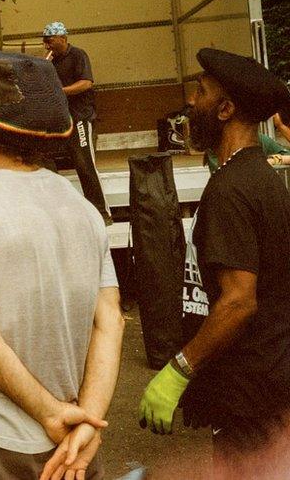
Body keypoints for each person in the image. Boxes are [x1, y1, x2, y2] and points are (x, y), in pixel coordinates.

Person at [0, 51, 123, 480]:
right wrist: (86, 424)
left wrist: (52, 414)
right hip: (73, 448)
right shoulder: (83, 209)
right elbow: (111, 320)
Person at [138, 48, 290, 474]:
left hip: (249, 394)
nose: (191, 101)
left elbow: (239, 301)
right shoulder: (257, 177)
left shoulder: (233, 191)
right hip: (264, 385)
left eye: (201, 93)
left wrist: (178, 369)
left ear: (225, 109)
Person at [42, 22, 112, 224]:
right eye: (45, 41)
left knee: (84, 163)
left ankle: (102, 212)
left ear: (62, 38)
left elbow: (86, 83)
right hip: (61, 119)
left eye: (50, 40)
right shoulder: (50, 62)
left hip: (81, 117)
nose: (47, 45)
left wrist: (60, 92)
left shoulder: (78, 55)